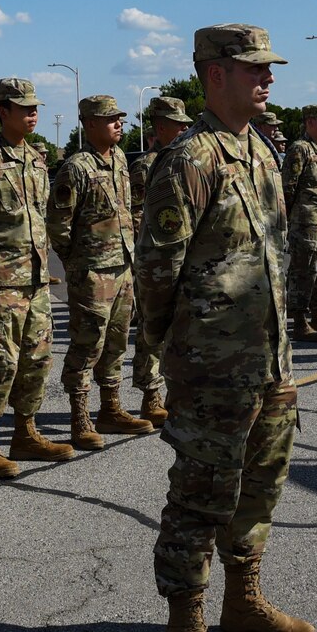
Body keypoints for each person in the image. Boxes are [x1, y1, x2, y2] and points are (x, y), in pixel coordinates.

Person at [138, 23, 310, 632]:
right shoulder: (188, 159)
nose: (267, 78)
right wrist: (176, 355)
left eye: (268, 68)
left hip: (268, 358)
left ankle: (244, 598)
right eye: (254, 69)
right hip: (212, 365)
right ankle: (185, 629)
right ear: (215, 74)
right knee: (201, 496)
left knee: (261, 483)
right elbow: (156, 271)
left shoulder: (261, 150)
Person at [0, 80, 75, 473]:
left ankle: (25, 433)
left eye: (34, 108)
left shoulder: (37, 161)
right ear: (2, 111)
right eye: (24, 108)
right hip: (0, 283)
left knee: (37, 361)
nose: (32, 114)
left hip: (37, 281)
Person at [48, 93, 155, 450]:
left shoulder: (121, 159)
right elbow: (59, 224)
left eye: (120, 118)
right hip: (93, 272)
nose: (119, 124)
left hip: (122, 268)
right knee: (87, 343)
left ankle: (111, 409)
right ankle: (80, 417)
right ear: (89, 124)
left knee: (116, 342)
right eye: (111, 119)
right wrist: (78, 263)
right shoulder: (75, 168)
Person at [127, 96, 190, 427]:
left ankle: (171, 392)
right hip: (153, 256)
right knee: (152, 330)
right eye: (177, 124)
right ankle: (150, 396)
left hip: (178, 255)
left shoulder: (181, 160)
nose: (183, 129)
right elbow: (135, 212)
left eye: (185, 124)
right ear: (161, 126)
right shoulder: (147, 165)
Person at [282, 105, 317, 342]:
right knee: (304, 271)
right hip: (306, 222)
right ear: (309, 122)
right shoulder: (299, 149)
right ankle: (298, 320)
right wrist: (287, 219)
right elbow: (288, 187)